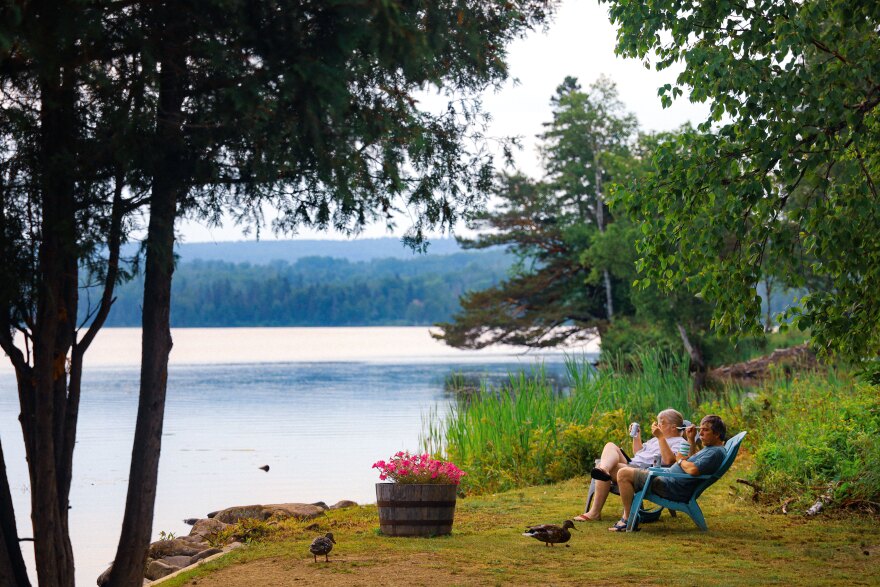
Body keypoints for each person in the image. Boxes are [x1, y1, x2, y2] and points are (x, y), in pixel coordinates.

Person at [608, 414, 728, 532]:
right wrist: (691, 439)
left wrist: (680, 460)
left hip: (672, 487)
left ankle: (627, 520)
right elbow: (691, 459)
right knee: (623, 471)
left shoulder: (715, 453)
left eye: (705, 430)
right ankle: (630, 517)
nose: (700, 434)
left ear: (717, 434)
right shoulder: (711, 449)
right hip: (669, 480)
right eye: (700, 430)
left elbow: (693, 470)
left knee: (623, 473)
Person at [573, 408, 688, 522]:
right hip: (633, 464)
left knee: (602, 464)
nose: (658, 425)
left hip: (645, 471)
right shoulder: (654, 440)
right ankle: (604, 469)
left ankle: (594, 512)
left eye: (662, 423)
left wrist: (660, 437)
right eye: (657, 422)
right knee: (610, 445)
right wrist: (636, 437)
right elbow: (638, 453)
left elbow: (669, 461)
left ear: (673, 427)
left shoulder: (680, 442)